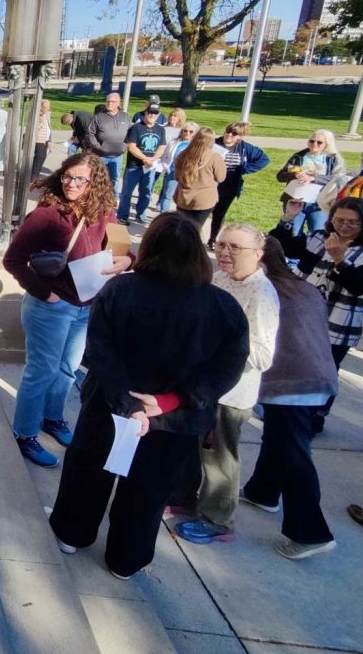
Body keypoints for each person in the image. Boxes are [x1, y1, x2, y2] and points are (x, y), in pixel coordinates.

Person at [48, 214, 250, 579]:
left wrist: (132, 406)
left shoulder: (120, 291)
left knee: (90, 472)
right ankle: (126, 558)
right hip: (176, 419)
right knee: (149, 489)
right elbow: (226, 370)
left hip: (110, 408)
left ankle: (71, 533)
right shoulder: (223, 307)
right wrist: (169, 402)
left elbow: (100, 354)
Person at [3, 152, 132, 467]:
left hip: (85, 306)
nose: (71, 184)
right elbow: (13, 260)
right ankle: (25, 434)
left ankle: (53, 418)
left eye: (80, 179)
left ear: (94, 183)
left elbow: (120, 246)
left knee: (67, 369)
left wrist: (129, 260)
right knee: (42, 371)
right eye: (67, 177)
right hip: (51, 308)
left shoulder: (103, 212)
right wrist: (45, 293)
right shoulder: (47, 215)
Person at [174, 224, 278, 545]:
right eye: (221, 245)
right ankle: (184, 499)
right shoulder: (218, 278)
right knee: (190, 446)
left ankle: (217, 520)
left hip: (231, 394)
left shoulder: (262, 294)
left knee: (220, 459)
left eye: (236, 248)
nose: (225, 253)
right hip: (202, 385)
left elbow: (263, 355)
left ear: (258, 255)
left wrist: (217, 345)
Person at [239, 237, 339, 560]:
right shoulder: (302, 287)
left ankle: (310, 532)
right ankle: (263, 491)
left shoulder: (265, 291)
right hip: (317, 376)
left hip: (292, 381)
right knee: (280, 439)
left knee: (294, 452)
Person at [271, 197, 363, 433]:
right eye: (339, 219)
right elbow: (279, 247)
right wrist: (288, 218)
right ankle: (290, 409)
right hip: (303, 316)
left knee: (326, 369)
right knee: (295, 362)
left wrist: (340, 260)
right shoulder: (317, 238)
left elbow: (358, 286)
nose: (344, 226)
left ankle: (316, 416)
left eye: (352, 223)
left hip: (338, 322)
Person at [208, 122, 270, 248]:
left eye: (234, 133)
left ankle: (213, 239)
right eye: (228, 131)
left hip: (229, 185)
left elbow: (264, 159)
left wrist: (245, 169)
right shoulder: (214, 143)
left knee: (220, 213)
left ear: (240, 137)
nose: (229, 135)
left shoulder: (244, 148)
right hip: (210, 183)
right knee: (203, 210)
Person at [277, 129, 345, 238]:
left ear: (327, 144)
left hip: (319, 203)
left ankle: (311, 255)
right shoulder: (298, 157)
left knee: (318, 234)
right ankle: (292, 254)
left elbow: (338, 178)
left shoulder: (332, 159)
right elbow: (280, 176)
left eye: (319, 142)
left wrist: (313, 178)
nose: (314, 144)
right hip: (296, 201)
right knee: (293, 234)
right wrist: (294, 175)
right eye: (312, 141)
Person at [116, 105, 166, 225]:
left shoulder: (160, 129)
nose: (152, 115)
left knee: (146, 192)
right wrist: (144, 158)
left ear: (158, 115)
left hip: (150, 167)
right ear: (145, 113)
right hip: (134, 166)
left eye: (155, 113)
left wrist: (153, 159)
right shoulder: (136, 128)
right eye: (150, 112)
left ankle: (141, 215)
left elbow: (162, 146)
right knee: (127, 192)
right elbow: (131, 146)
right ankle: (122, 216)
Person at [174, 127, 227, 236]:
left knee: (180, 229)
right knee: (194, 231)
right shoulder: (215, 157)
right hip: (204, 200)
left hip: (183, 198)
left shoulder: (183, 154)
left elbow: (177, 177)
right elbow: (221, 178)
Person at [85, 92, 131, 189]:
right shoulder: (99, 116)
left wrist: (125, 145)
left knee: (115, 179)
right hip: (101, 155)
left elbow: (131, 131)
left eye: (113, 102)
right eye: (108, 101)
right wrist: (97, 146)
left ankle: (113, 200)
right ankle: (95, 199)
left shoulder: (125, 116)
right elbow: (90, 133)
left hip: (118, 156)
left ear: (118, 103)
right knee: (97, 178)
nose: (110, 104)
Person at [155, 118, 196, 213]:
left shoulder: (195, 146)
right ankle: (164, 214)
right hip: (172, 172)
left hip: (187, 174)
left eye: (191, 131)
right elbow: (165, 156)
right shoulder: (174, 142)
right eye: (185, 131)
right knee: (167, 194)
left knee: (182, 197)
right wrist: (165, 165)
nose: (187, 133)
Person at [30, 99, 52, 177]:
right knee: (38, 158)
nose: (49, 108)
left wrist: (49, 140)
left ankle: (37, 175)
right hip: (39, 140)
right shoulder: (38, 115)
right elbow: (35, 128)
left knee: (43, 157)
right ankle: (33, 177)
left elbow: (49, 128)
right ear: (42, 107)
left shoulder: (47, 115)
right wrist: (41, 119)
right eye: (47, 106)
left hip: (45, 140)